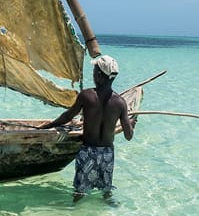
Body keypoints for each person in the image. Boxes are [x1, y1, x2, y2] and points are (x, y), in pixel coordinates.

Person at [39, 54, 135, 202]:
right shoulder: (120, 102)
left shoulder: (87, 96)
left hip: (88, 151)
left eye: (94, 70)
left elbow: (67, 116)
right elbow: (129, 136)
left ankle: (74, 211)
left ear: (98, 75)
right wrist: (131, 124)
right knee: (106, 191)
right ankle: (109, 210)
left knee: (80, 192)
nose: (93, 74)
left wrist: (50, 125)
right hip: (107, 153)